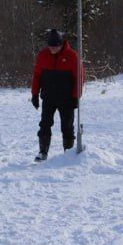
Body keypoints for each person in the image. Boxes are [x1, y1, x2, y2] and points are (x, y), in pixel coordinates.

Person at [31, 29, 82, 162]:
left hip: (67, 99)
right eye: (50, 46)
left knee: (67, 127)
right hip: (48, 97)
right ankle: (43, 152)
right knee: (44, 124)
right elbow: (37, 76)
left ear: (61, 44)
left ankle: (68, 154)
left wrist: (76, 96)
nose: (52, 49)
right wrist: (35, 94)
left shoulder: (72, 56)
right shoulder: (43, 55)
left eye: (55, 47)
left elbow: (80, 78)